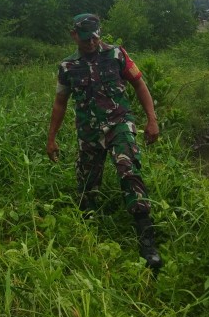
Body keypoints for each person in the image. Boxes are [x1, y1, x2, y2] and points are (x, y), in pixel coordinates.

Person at [46, 13, 162, 271]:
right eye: (86, 39)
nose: (92, 43)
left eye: (95, 37)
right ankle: (87, 233)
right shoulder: (67, 66)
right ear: (74, 35)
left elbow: (139, 85)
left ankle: (147, 240)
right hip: (88, 131)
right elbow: (60, 103)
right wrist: (51, 138)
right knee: (87, 184)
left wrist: (151, 119)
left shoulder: (117, 55)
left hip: (119, 123)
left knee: (128, 168)